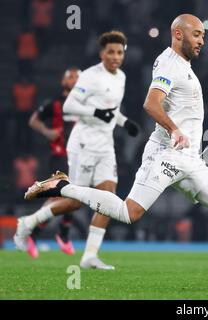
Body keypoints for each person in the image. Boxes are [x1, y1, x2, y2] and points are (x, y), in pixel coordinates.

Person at [18, 14, 208, 289]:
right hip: (166, 154)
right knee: (129, 213)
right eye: (196, 34)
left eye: (203, 36)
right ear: (178, 34)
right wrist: (174, 129)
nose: (201, 41)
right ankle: (62, 186)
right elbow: (151, 104)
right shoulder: (170, 63)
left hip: (190, 159)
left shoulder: (182, 65)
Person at [14, 30, 140, 270]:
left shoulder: (121, 76)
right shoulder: (91, 76)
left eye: (119, 52)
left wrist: (124, 122)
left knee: (110, 200)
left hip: (105, 144)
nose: (115, 56)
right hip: (84, 144)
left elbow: (109, 110)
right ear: (102, 53)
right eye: (110, 52)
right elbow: (70, 105)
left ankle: (89, 256)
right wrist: (96, 113)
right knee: (74, 202)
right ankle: (28, 222)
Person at [25, 67, 80, 258]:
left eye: (78, 77)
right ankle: (41, 234)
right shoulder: (55, 104)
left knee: (75, 197)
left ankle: (53, 235)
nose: (75, 79)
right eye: (71, 76)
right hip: (59, 156)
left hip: (79, 158)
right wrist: (48, 132)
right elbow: (33, 121)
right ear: (63, 81)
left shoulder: (84, 104)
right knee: (59, 197)